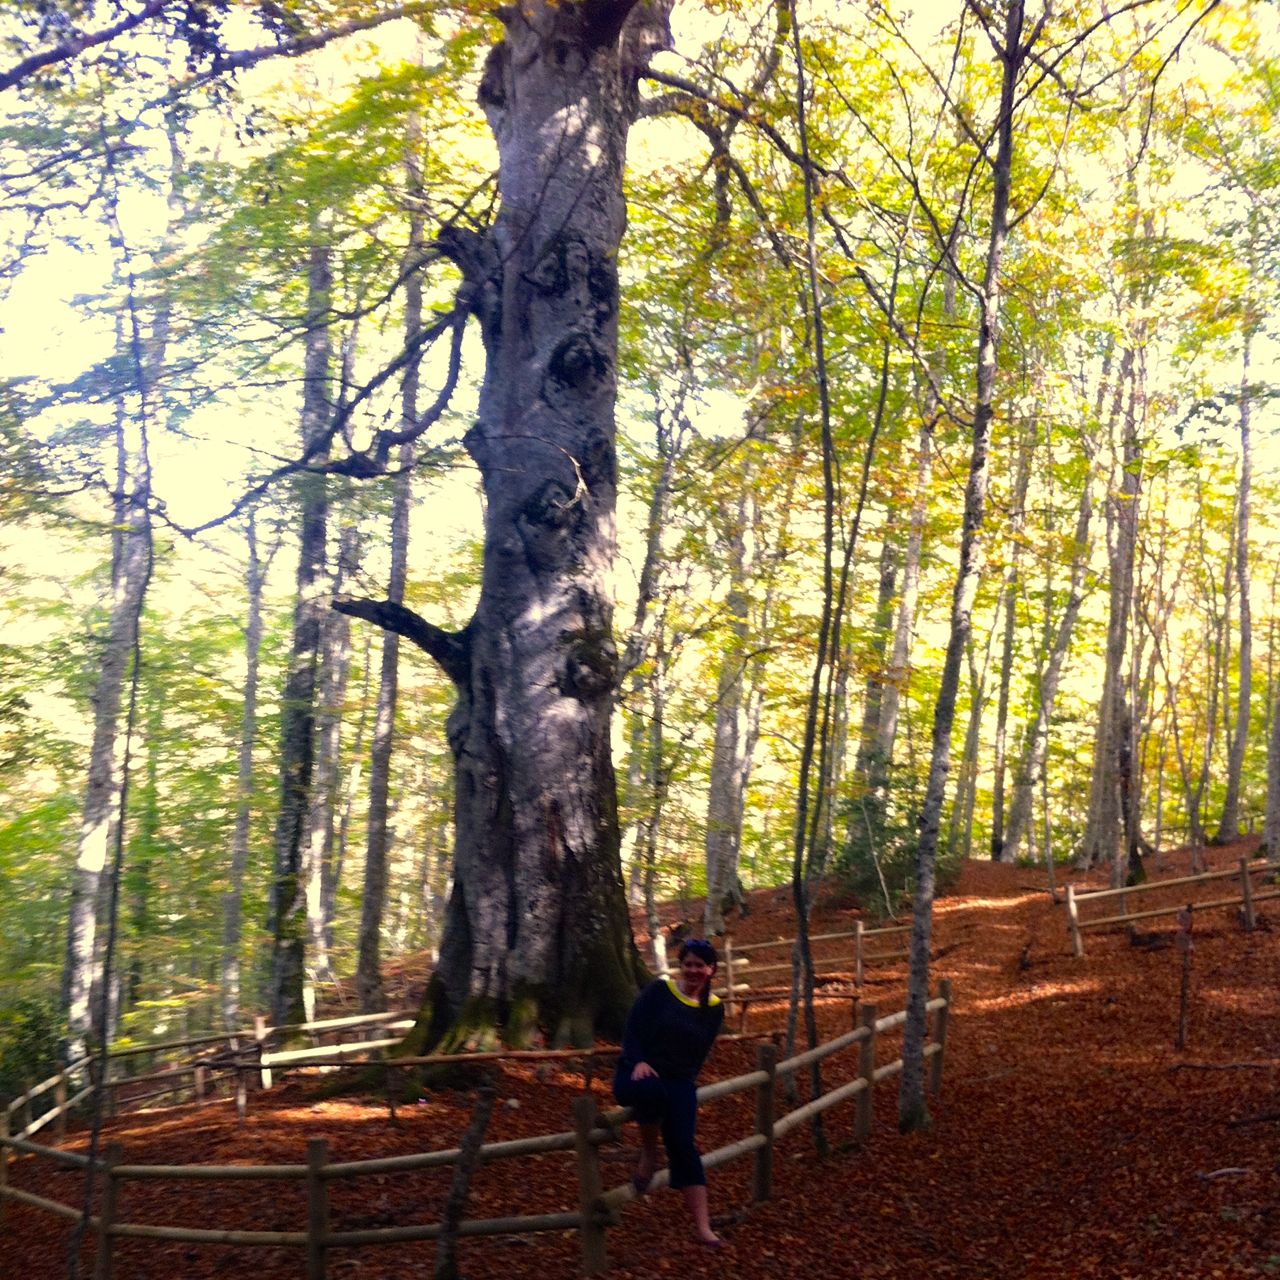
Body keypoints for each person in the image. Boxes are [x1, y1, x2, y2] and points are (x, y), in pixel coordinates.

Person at [613, 937, 725, 1247]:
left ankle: (703, 1227)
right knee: (651, 1092)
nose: (692, 970)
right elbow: (632, 1029)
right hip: (637, 1071)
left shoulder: (714, 1009)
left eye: (699, 965)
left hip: (677, 1080)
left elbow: (699, 1052)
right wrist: (637, 1061)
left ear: (711, 969)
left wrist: (685, 1084)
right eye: (687, 964)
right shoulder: (659, 991)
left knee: (684, 1146)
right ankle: (649, 1152)